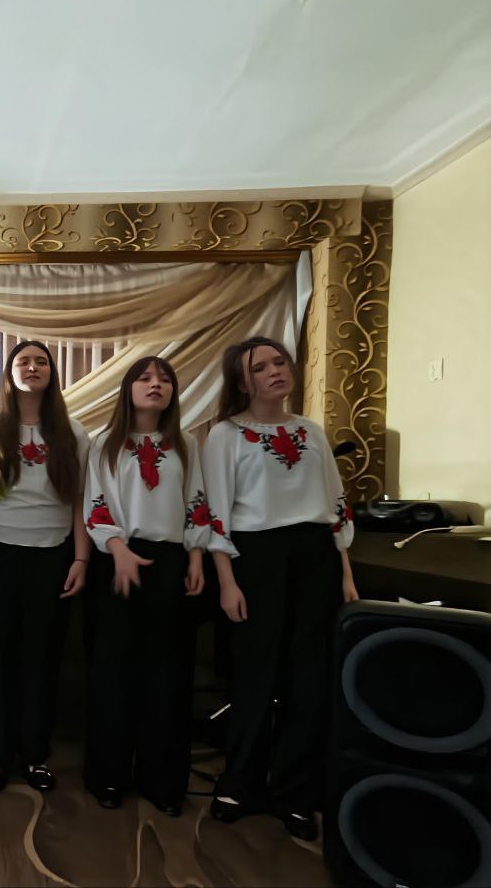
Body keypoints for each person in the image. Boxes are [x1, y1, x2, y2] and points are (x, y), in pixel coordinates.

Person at [202, 336, 356, 841]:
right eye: (260, 367)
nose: (274, 371)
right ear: (242, 382)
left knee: (308, 680)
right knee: (254, 674)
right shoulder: (225, 434)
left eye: (279, 361)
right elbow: (216, 512)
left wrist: (346, 574)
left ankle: (296, 794)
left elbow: (335, 504)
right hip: (255, 558)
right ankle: (239, 785)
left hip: (316, 557)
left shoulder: (311, 431)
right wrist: (226, 581)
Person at [0, 339, 90, 793]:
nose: (32, 367)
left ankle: (34, 755)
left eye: (41, 361)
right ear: (9, 373)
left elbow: (81, 502)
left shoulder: (74, 433)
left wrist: (81, 557)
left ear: (52, 373)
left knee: (42, 659)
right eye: (23, 361)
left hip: (52, 557)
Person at [82, 356, 210, 816]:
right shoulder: (104, 444)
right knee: (114, 672)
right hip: (117, 559)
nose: (156, 384)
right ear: (128, 389)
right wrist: (116, 548)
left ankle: (163, 782)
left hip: (171, 561)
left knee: (168, 673)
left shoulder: (187, 443)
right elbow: (95, 503)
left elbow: (197, 501)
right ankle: (108, 776)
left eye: (165, 379)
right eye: (144, 377)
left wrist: (195, 556)